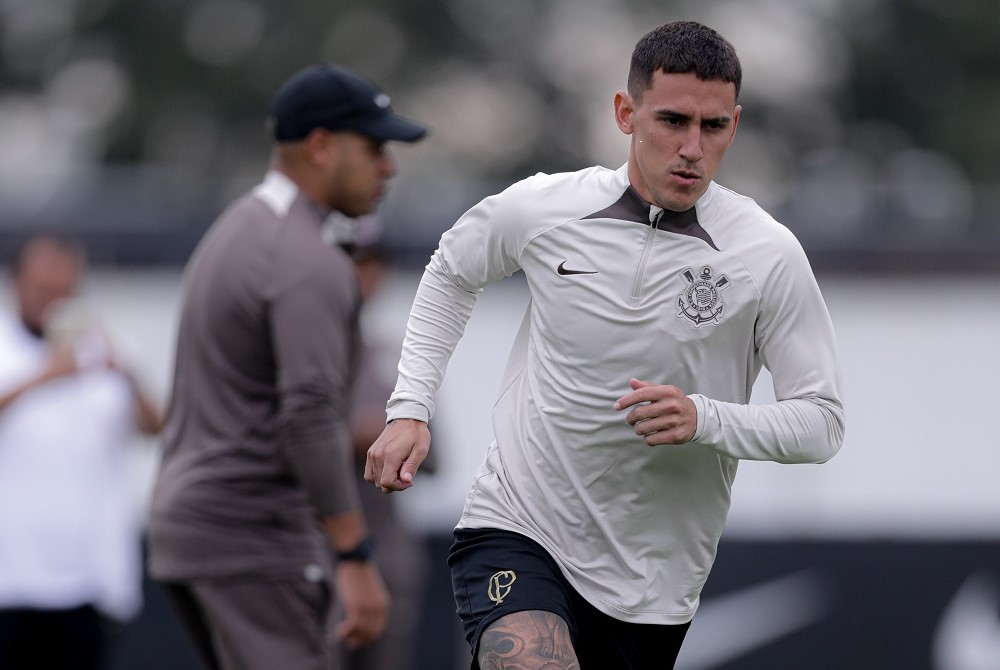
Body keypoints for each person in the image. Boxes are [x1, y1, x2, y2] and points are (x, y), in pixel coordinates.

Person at [365, 21, 845, 670]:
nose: (692, 148)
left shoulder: (768, 254)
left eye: (712, 127)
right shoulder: (545, 209)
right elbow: (453, 270)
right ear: (626, 113)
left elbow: (821, 423)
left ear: (734, 126)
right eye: (672, 121)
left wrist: (705, 418)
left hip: (653, 586)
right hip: (520, 526)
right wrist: (409, 407)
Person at [146, 64, 427, 670]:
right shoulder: (306, 258)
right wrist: (354, 555)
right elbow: (309, 415)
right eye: (373, 147)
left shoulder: (241, 227)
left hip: (194, 527)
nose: (388, 167)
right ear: (321, 146)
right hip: (253, 533)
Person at [0, 235, 163, 670]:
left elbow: (157, 427)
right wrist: (44, 376)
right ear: (16, 284)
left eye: (64, 289)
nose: (53, 300)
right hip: (10, 577)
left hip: (89, 578)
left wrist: (127, 373)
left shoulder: (106, 348)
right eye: (43, 287)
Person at [342, 218, 436, 670]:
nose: (363, 275)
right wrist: (347, 437)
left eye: (371, 263)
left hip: (386, 551)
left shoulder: (398, 359)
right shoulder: (301, 353)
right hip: (313, 553)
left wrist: (393, 439)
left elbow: (437, 458)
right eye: (352, 262)